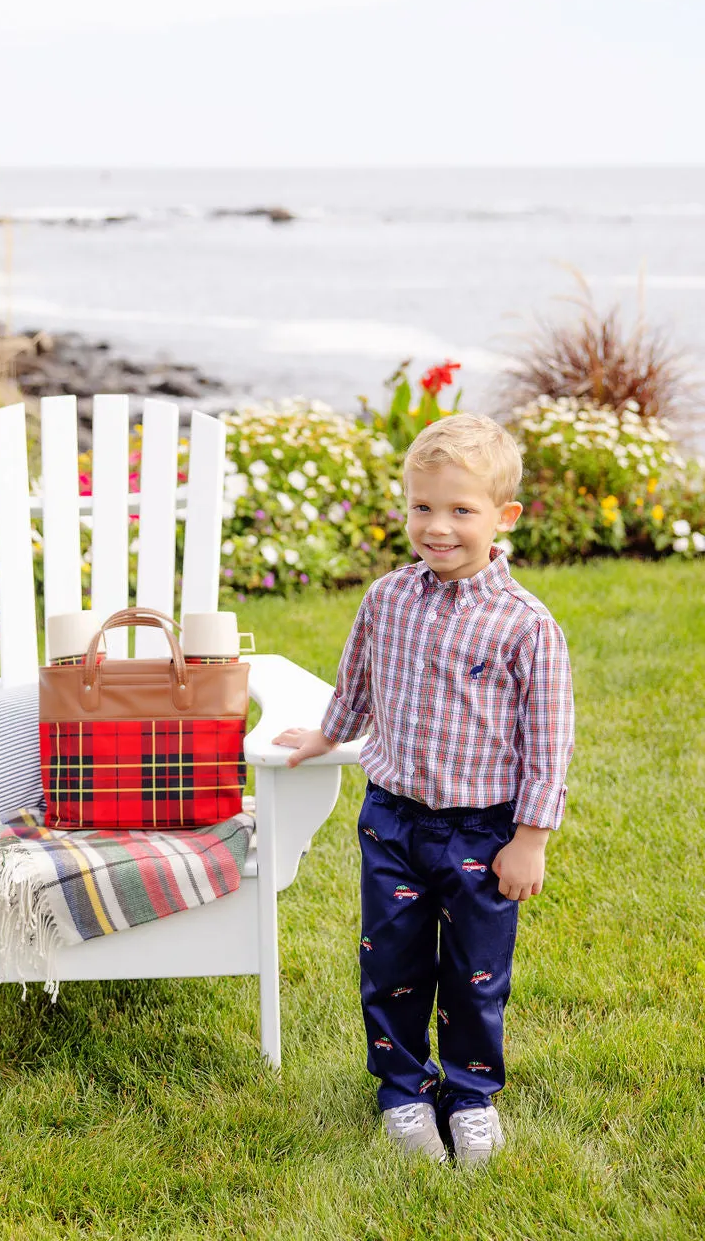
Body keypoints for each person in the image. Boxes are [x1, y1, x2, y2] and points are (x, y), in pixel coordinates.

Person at [273, 413, 575, 1166]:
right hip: (394, 823)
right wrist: (325, 734)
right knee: (393, 963)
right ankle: (404, 1091)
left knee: (474, 973)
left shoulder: (525, 626)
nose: (437, 527)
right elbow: (359, 682)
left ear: (503, 518)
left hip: (482, 833)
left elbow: (548, 741)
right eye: (422, 507)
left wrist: (529, 837)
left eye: (460, 510)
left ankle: (469, 1095)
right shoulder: (387, 599)